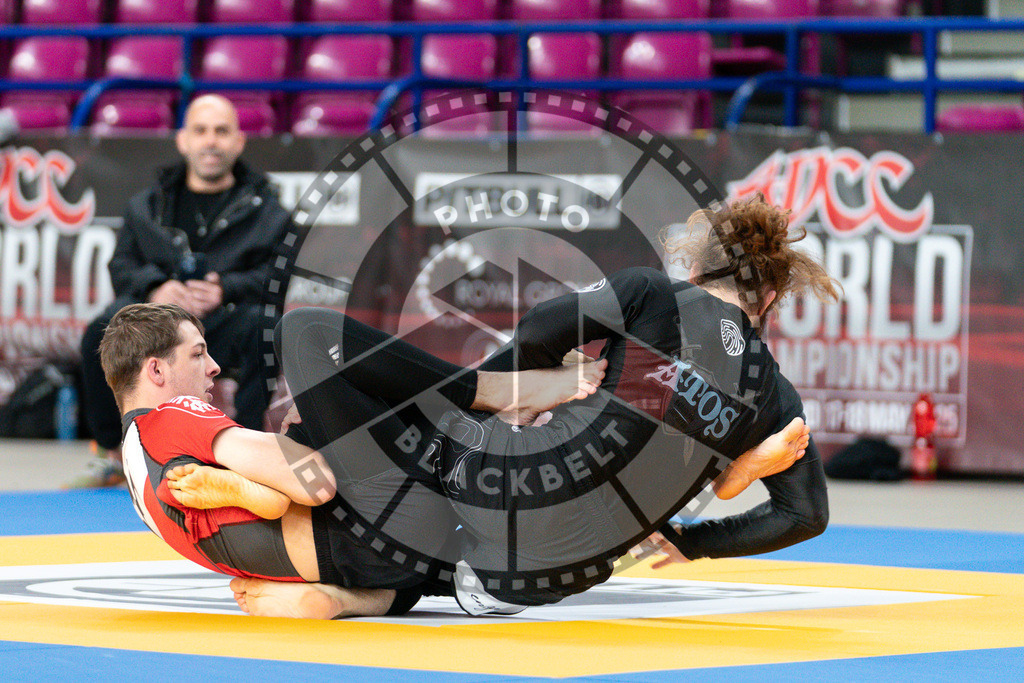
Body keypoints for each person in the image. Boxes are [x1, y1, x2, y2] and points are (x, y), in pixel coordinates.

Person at [180, 194, 834, 617]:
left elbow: (539, 329)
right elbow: (803, 516)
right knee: (435, 499)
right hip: (562, 572)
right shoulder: (776, 393)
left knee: (310, 334)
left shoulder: (652, 292)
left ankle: (320, 490)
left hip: (496, 483)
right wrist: (692, 542)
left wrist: (501, 401)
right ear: (771, 300)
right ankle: (396, 585)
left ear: (700, 270)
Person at [101, 302, 612, 617]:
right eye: (197, 354)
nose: (213, 367)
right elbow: (313, 483)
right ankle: (501, 393)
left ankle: (354, 601)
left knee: (406, 404)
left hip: (382, 569)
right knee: (304, 333)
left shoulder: (137, 478)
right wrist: (301, 435)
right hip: (378, 517)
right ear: (156, 372)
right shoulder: (167, 419)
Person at [73, 94, 292, 488]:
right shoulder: (146, 206)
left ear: (239, 142)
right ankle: (112, 453)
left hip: (223, 324)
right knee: (99, 332)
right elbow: (121, 268)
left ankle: (240, 456)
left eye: (222, 131)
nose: (211, 141)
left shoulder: (270, 213)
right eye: (201, 131)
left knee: (266, 326)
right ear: (183, 140)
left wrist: (225, 288)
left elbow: (278, 279)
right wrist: (156, 289)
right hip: (156, 328)